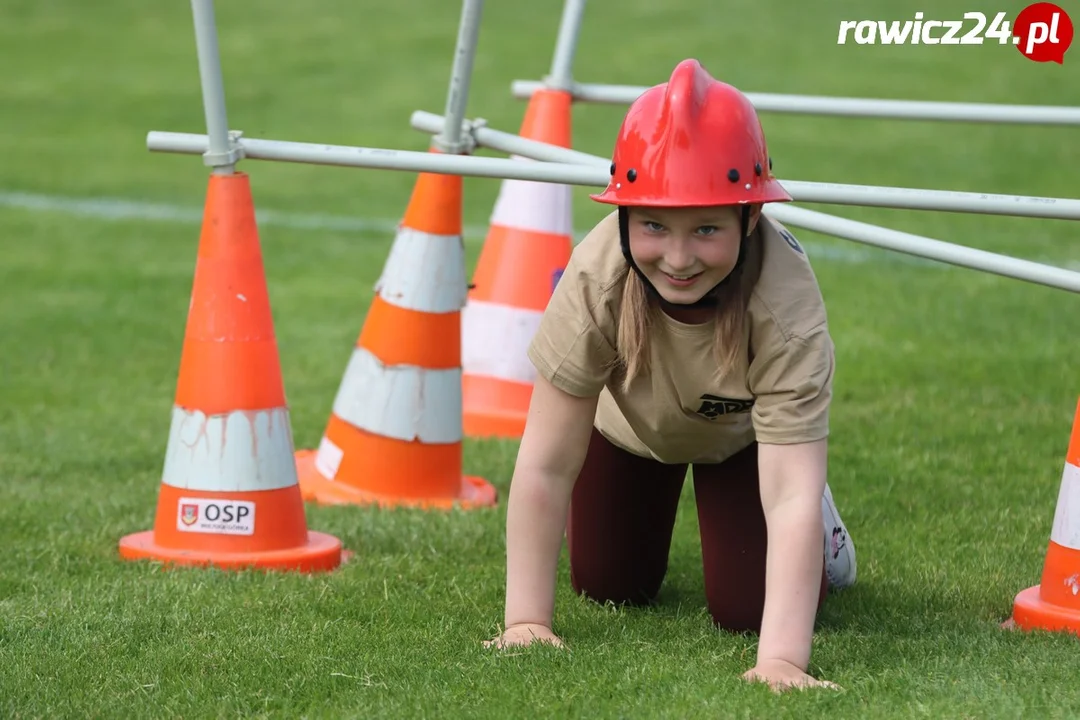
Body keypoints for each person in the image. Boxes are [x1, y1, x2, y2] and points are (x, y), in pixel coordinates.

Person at [484, 58, 857, 693]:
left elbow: (787, 494)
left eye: (707, 229)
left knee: (746, 611)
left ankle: (830, 537)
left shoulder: (786, 305)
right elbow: (545, 462)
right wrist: (524, 620)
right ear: (624, 217)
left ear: (750, 218)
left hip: (742, 444)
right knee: (607, 585)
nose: (679, 259)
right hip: (629, 431)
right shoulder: (595, 277)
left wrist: (781, 661)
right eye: (654, 225)